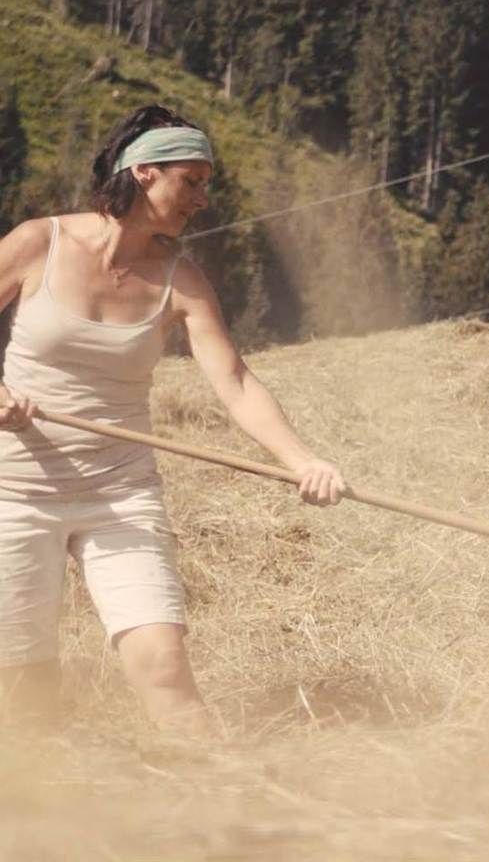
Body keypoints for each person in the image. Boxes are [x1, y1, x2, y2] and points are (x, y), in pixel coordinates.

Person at [0, 105, 346, 734]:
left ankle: (217, 788)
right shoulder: (37, 243)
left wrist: (303, 461)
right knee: (23, 694)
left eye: (205, 184)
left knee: (164, 669)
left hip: (120, 495)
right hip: (13, 493)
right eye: (192, 181)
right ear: (144, 173)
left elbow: (236, 383)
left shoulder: (180, 281)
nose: (202, 200)